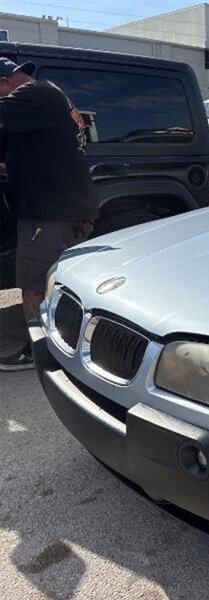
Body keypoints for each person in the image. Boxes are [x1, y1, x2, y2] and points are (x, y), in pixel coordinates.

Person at [0, 58, 97, 370]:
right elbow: (43, 150)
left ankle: (40, 353)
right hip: (67, 206)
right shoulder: (50, 96)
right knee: (61, 282)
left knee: (34, 284)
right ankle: (69, 345)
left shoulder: (34, 94)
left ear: (4, 82)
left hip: (49, 212)